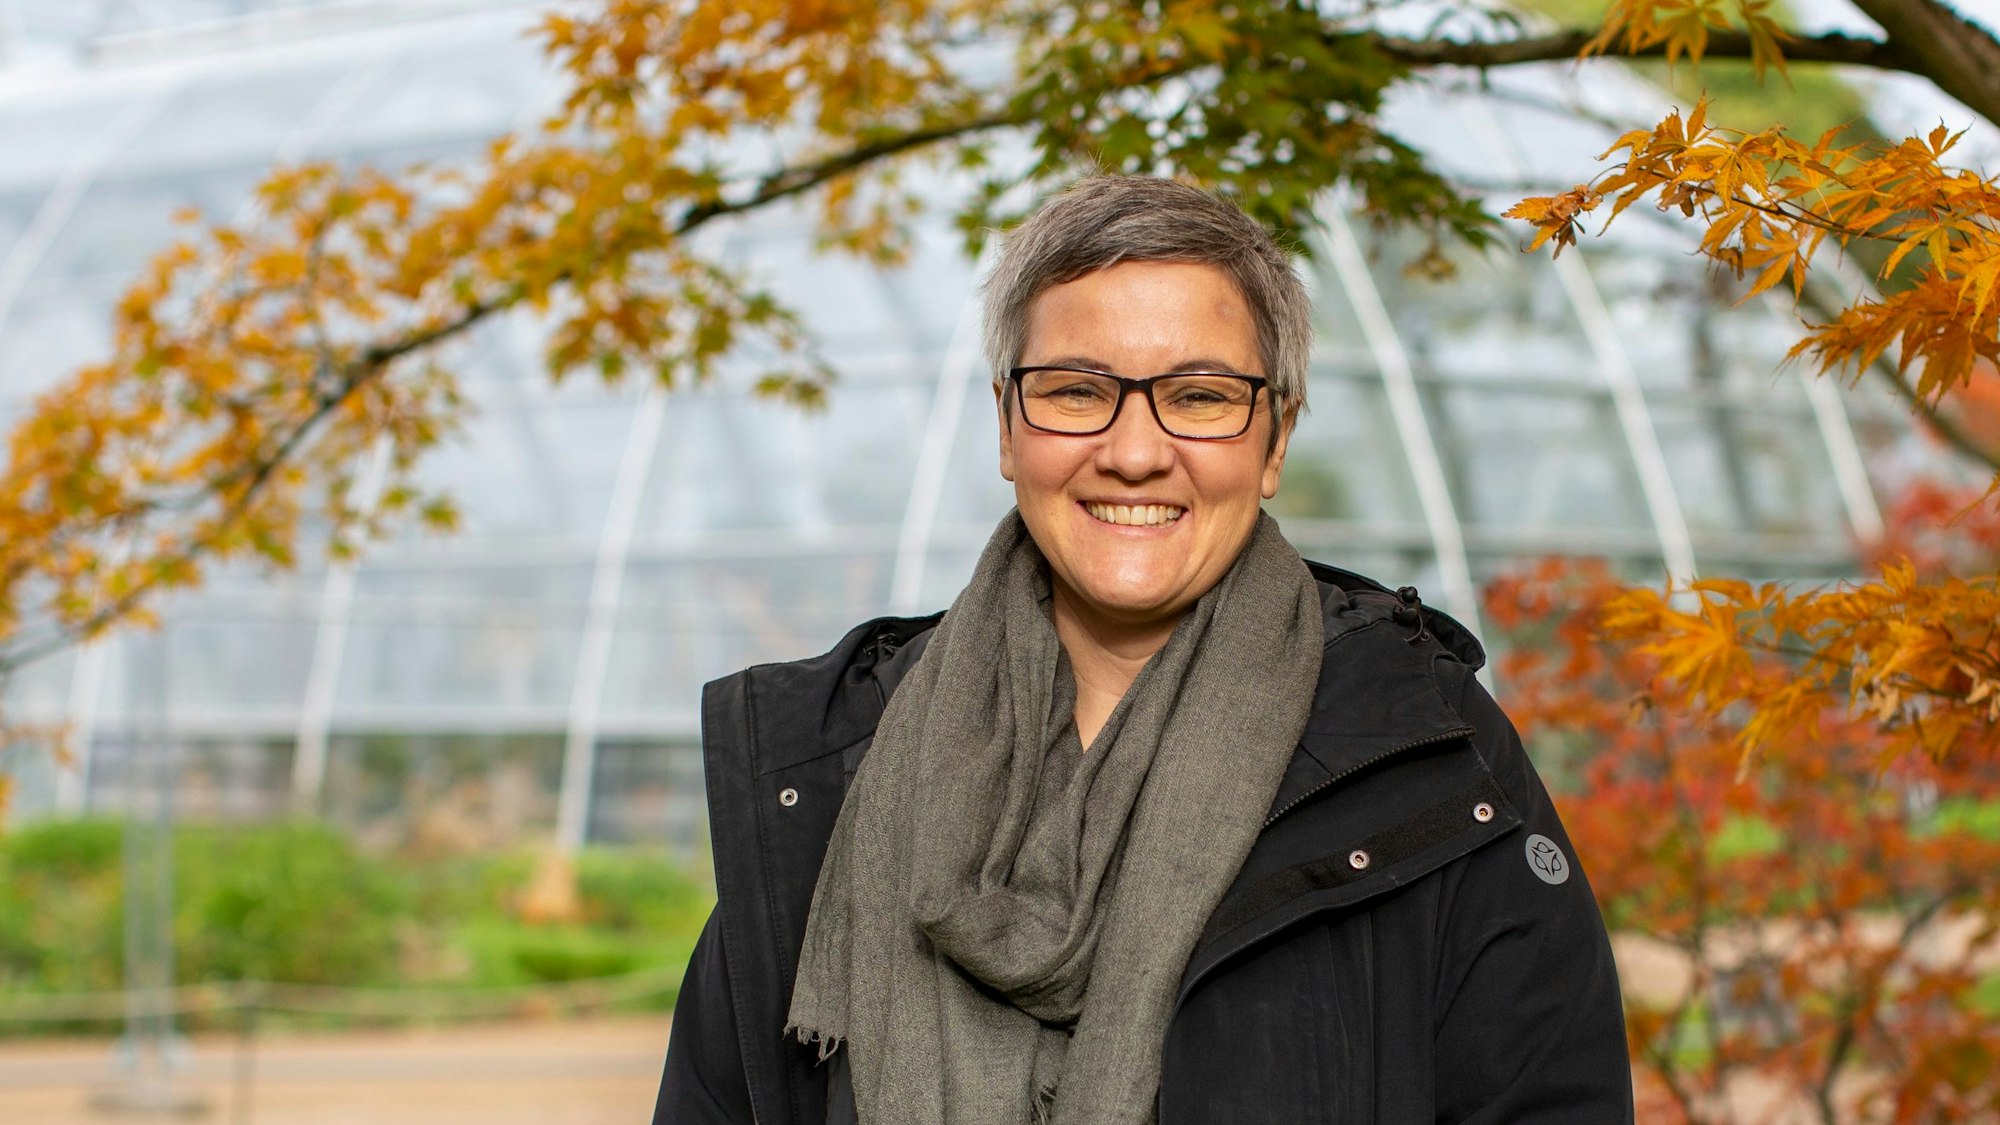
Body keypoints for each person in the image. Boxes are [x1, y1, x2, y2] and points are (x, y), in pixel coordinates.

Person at [653, 176, 1633, 1124]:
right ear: (1006, 426)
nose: (1131, 450)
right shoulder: (832, 762)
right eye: (1076, 391)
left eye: (1199, 397)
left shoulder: (1419, 747)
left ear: (1274, 437)